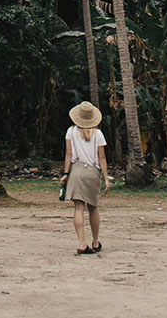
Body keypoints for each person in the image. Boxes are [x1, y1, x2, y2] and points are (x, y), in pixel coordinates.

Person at [59, 101, 110, 254]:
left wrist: (66, 173)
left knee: (79, 208)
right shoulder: (98, 134)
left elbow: (68, 154)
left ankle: (82, 243)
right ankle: (95, 242)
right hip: (93, 172)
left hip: (77, 170)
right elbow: (102, 158)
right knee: (93, 208)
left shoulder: (70, 131)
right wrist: (106, 178)